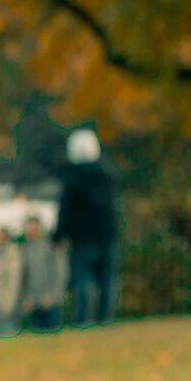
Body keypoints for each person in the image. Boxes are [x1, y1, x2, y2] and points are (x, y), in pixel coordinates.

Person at [55, 128, 122, 325]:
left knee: (83, 282)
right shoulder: (108, 173)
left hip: (83, 239)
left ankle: (83, 320)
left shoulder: (73, 177)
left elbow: (65, 209)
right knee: (108, 281)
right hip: (108, 235)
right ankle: (106, 319)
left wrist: (59, 235)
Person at [20, 215, 66, 331]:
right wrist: (26, 298)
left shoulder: (51, 247)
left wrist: (51, 295)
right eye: (30, 229)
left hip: (52, 302)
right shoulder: (24, 250)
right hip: (34, 304)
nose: (32, 232)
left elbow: (60, 273)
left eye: (35, 229)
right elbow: (23, 277)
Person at [0, 228, 24, 336]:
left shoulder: (13, 253)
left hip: (8, 305)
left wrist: (9, 304)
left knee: (8, 335)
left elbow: (14, 281)